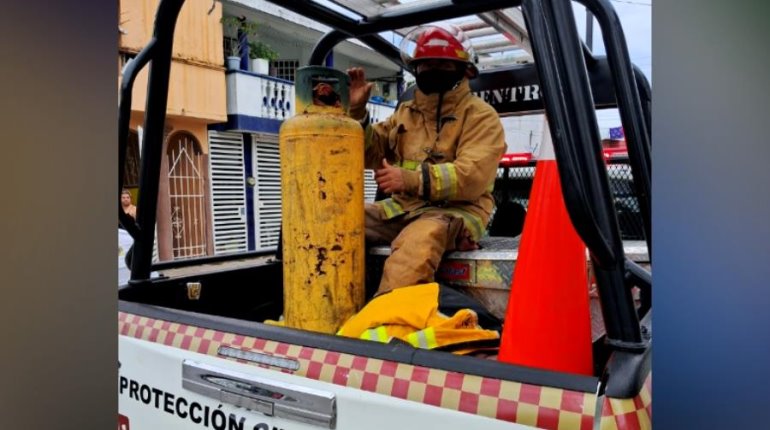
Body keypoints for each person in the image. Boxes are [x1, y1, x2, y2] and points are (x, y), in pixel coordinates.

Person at [347, 24, 506, 297]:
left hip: (458, 213)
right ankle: (328, 308)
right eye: (425, 64)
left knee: (419, 239)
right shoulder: (406, 113)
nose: (431, 70)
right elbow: (369, 153)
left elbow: (471, 177)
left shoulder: (481, 116)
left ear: (464, 70)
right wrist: (358, 113)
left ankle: (389, 326)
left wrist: (409, 179)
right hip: (405, 209)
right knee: (342, 219)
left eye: (442, 64)